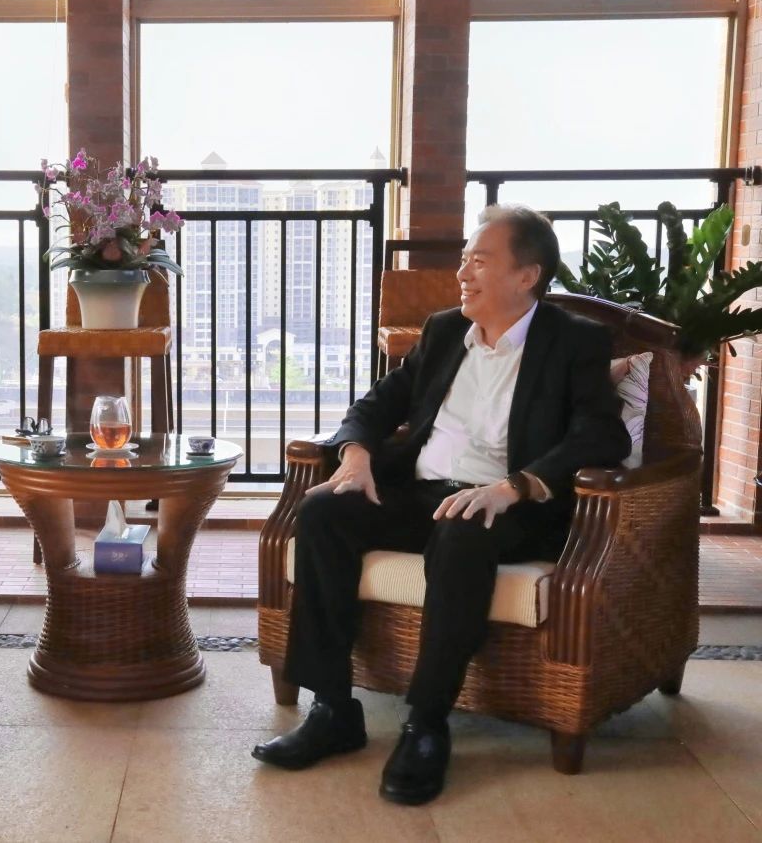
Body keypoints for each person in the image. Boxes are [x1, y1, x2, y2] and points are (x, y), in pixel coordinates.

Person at [251, 204, 631, 805]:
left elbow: (603, 435)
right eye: (463, 259)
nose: (462, 273)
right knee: (324, 511)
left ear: (527, 276)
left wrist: (516, 486)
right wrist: (355, 455)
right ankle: (333, 709)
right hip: (422, 492)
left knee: (462, 532)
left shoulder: (574, 341)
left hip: (507, 507)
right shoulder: (444, 330)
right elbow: (376, 405)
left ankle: (426, 725)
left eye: (479, 260)